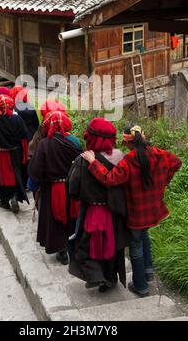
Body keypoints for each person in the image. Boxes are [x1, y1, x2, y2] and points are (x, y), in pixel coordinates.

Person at [81, 124, 182, 297]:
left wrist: (93, 162)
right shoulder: (159, 154)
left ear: (129, 143)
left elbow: (109, 179)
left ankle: (140, 286)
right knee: (144, 236)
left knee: (135, 245)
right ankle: (148, 271)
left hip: (137, 210)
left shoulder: (129, 161)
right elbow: (176, 163)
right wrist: (162, 183)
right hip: (152, 208)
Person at [68, 118, 130, 292]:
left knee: (85, 247)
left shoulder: (85, 159)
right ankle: (109, 280)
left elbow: (73, 188)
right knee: (111, 246)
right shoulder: (121, 157)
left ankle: (96, 276)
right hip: (115, 212)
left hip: (94, 211)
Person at [28, 110, 82, 265]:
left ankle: (62, 251)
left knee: (56, 221)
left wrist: (36, 183)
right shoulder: (75, 142)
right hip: (72, 187)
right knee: (71, 217)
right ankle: (74, 247)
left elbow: (36, 169)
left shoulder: (44, 144)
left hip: (52, 189)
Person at [0, 94, 29, 214]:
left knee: (0, 178)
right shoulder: (17, 119)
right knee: (15, 175)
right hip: (15, 153)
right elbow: (24, 135)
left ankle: (5, 200)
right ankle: (14, 196)